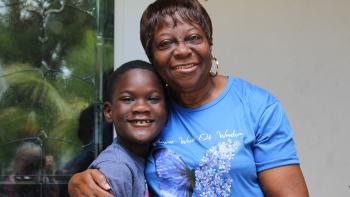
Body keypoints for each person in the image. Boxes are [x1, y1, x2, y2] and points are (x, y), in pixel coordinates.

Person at [68, 0, 309, 196]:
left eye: (193, 37)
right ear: (152, 57)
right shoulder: (152, 113)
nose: (183, 50)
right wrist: (80, 180)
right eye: (166, 43)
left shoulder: (257, 106)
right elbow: (121, 161)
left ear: (210, 44)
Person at [88, 60, 167, 196]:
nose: (141, 108)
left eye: (153, 99)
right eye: (127, 99)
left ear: (167, 109)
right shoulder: (115, 170)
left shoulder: (153, 156)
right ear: (109, 112)